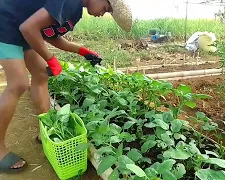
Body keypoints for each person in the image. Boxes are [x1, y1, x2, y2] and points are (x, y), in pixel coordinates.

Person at [0, 0, 132, 173]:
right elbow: (28, 28)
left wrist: (82, 51)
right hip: (6, 25)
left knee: (40, 73)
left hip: (20, 31)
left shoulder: (75, 12)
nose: (102, 14)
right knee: (19, 83)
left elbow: (48, 35)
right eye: (106, 8)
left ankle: (45, 131)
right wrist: (51, 59)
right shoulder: (69, 1)